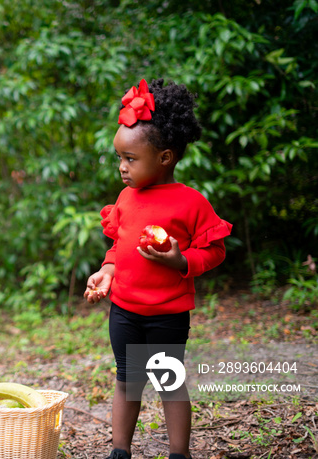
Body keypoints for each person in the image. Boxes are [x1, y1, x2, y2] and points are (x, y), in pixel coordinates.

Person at [85, 79, 232, 459]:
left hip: (167, 314)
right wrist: (107, 272)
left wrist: (181, 260)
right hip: (125, 311)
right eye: (119, 158)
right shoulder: (125, 199)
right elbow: (119, 246)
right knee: (127, 380)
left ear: (165, 157)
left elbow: (214, 252)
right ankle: (120, 451)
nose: (122, 168)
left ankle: (179, 454)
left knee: (168, 382)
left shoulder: (191, 203)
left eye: (130, 159)